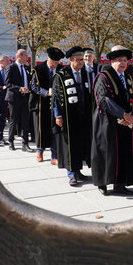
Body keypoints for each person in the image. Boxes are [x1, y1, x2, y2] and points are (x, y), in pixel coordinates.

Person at [91, 46, 133, 196]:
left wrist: (132, 116)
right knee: (106, 152)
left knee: (123, 153)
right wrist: (123, 114)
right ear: (111, 61)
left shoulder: (129, 78)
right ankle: (102, 183)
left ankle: (120, 184)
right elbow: (104, 99)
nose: (122, 63)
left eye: (124, 60)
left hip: (125, 122)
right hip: (106, 121)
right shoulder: (103, 77)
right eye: (119, 60)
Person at [51, 46, 91, 186]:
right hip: (68, 116)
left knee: (80, 144)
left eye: (83, 60)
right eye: (78, 60)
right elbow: (55, 98)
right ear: (71, 60)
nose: (81, 62)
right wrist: (58, 116)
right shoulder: (61, 75)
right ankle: (71, 174)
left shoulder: (86, 73)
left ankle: (78, 170)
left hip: (83, 116)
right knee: (70, 146)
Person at [29, 47, 64, 163]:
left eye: (56, 63)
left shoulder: (61, 69)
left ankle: (55, 156)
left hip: (56, 104)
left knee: (55, 129)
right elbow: (33, 87)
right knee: (41, 129)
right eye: (52, 62)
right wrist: (46, 93)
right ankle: (40, 151)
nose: (54, 65)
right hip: (41, 104)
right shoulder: (38, 69)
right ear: (47, 58)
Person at [5, 49, 34, 152]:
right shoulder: (11, 67)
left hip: (25, 98)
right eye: (26, 55)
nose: (27, 57)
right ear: (19, 56)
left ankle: (25, 144)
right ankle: (11, 141)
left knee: (25, 121)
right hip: (14, 98)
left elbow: (30, 81)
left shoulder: (27, 67)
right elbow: (8, 83)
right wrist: (19, 88)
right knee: (14, 119)